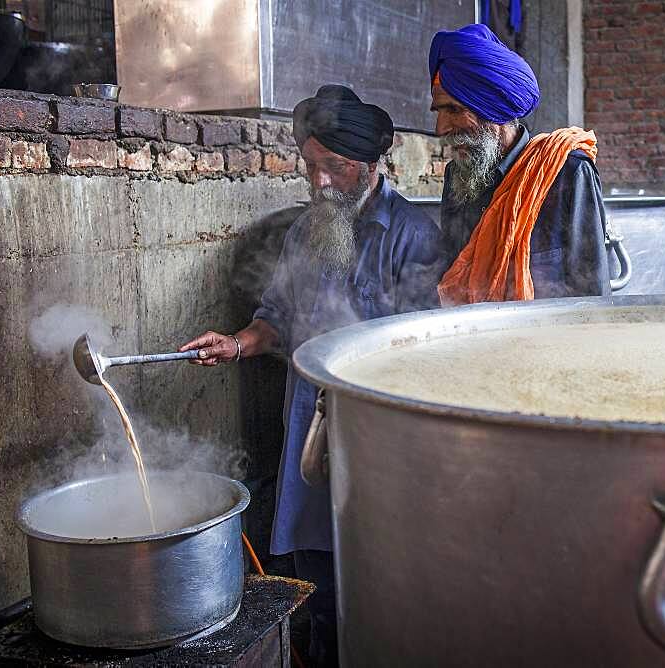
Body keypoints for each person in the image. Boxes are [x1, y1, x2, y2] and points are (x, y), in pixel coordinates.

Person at [179, 84, 442, 667]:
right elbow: (275, 318)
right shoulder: (305, 231)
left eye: (336, 168)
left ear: (372, 165)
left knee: (376, 574)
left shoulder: (414, 236)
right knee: (316, 584)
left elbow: (427, 351)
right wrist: (238, 345)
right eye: (311, 167)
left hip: (377, 435)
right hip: (309, 428)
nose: (320, 183)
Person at [429, 23, 612, 305]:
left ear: (493, 111)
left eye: (454, 110)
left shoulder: (567, 173)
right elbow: (453, 272)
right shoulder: (458, 175)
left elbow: (592, 297)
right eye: (439, 112)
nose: (441, 129)